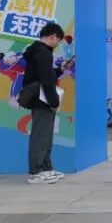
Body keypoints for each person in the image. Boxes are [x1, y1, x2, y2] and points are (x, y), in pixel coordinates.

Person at [24, 23, 66, 184]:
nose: (58, 43)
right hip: (43, 99)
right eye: (59, 40)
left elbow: (44, 75)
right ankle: (35, 172)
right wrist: (54, 101)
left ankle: (46, 168)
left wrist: (59, 70)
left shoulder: (37, 51)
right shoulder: (44, 53)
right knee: (41, 136)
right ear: (53, 36)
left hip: (40, 98)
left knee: (46, 135)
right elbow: (47, 80)